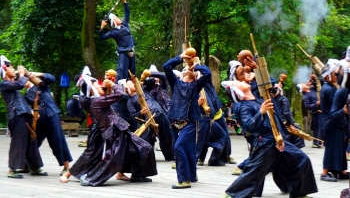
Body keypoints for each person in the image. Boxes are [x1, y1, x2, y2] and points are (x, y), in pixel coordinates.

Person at [61, 67, 157, 186]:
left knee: (140, 148)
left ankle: (130, 174)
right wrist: (112, 83)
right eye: (97, 85)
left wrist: (110, 84)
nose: (101, 86)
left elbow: (108, 95)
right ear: (91, 90)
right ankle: (91, 177)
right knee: (106, 157)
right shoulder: (97, 101)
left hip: (117, 130)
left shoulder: (92, 100)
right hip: (113, 134)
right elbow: (119, 94)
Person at [221, 80, 318, 198]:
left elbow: (266, 80)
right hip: (265, 143)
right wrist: (261, 112)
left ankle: (299, 193)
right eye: (238, 83)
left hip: (278, 140)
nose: (242, 81)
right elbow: (249, 126)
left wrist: (256, 64)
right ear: (237, 91)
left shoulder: (257, 97)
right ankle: (231, 195)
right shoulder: (243, 106)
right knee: (254, 173)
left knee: (301, 160)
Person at [163, 51, 211, 189]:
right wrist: (180, 57)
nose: (188, 70)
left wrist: (196, 66)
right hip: (174, 121)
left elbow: (207, 74)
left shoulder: (196, 85)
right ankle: (192, 174)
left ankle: (184, 179)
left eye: (192, 71)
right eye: (186, 69)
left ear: (196, 75)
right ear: (182, 74)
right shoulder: (175, 83)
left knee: (179, 147)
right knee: (188, 148)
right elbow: (166, 67)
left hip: (190, 121)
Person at [0, 55, 47, 178]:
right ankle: (12, 169)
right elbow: (20, 84)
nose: (14, 69)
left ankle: (35, 167)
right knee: (18, 141)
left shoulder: (13, 85)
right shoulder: (4, 84)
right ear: (5, 70)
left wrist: (31, 87)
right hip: (16, 115)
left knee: (32, 141)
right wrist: (21, 74)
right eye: (12, 68)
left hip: (24, 114)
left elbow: (28, 97)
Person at [24, 72, 73, 176]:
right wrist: (30, 111)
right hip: (38, 119)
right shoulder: (26, 95)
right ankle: (29, 164)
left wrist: (38, 74)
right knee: (33, 140)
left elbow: (52, 78)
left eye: (24, 78)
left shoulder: (41, 84)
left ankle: (66, 167)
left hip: (52, 114)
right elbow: (24, 107)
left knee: (57, 139)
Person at [98, 0, 136, 81]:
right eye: (116, 18)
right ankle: (120, 89)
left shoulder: (124, 25)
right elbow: (102, 37)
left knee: (132, 73)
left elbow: (127, 13)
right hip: (123, 53)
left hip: (132, 52)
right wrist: (102, 27)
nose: (118, 18)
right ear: (113, 22)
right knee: (121, 71)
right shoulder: (113, 32)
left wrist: (124, 1)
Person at [325, 63, 350, 181]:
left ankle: (341, 170)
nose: (336, 76)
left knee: (340, 148)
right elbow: (332, 113)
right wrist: (343, 111)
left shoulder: (335, 89)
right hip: (331, 122)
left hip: (338, 122)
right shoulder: (331, 90)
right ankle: (324, 172)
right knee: (332, 148)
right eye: (334, 74)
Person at [298, 83, 323, 148]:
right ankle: (316, 142)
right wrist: (316, 104)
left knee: (321, 127)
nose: (305, 84)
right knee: (318, 128)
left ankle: (321, 142)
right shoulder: (305, 96)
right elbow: (308, 106)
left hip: (321, 112)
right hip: (316, 112)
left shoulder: (312, 90)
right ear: (303, 89)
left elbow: (317, 82)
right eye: (303, 84)